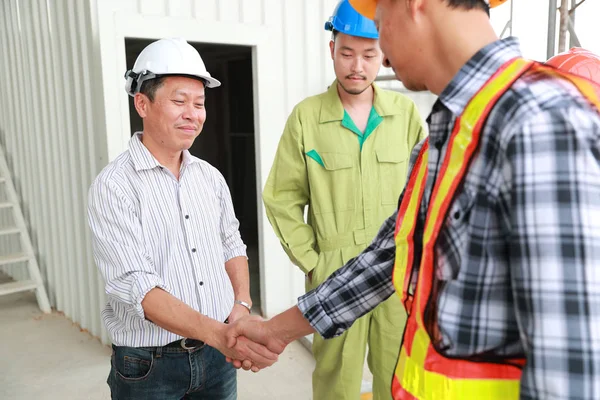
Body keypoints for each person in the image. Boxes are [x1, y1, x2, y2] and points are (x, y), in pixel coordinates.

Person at [227, 1, 600, 399]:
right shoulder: (452, 132)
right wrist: (274, 330)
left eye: (380, 23)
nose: (381, 55)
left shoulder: (542, 122)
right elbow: (389, 257)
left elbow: (570, 372)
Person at [87, 37, 276, 400]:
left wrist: (241, 304)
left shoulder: (209, 177)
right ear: (142, 103)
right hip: (149, 366)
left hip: (217, 358)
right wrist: (218, 333)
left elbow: (231, 243)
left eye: (200, 103)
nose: (193, 113)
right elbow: (138, 288)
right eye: (179, 101)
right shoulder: (114, 187)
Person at [261, 1, 426, 398]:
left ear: (382, 54)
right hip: (334, 270)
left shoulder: (404, 115)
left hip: (396, 268)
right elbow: (281, 197)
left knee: (400, 376)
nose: (357, 65)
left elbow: (424, 194)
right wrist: (314, 262)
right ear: (330, 49)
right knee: (337, 382)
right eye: (347, 52)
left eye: (369, 55)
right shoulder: (306, 117)